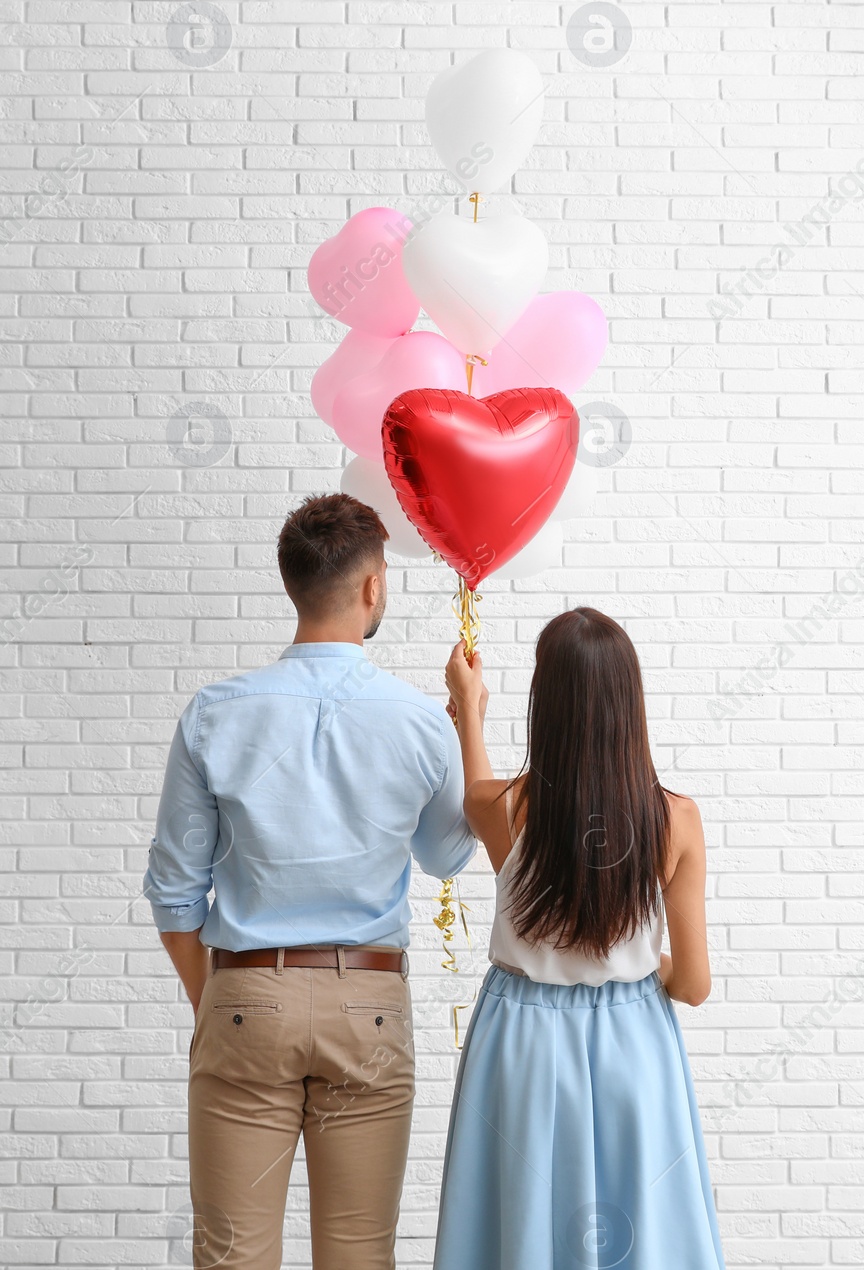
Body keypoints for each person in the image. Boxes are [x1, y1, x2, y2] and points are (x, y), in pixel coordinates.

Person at [143, 493, 478, 1270]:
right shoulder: (420, 721)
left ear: (293, 584)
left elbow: (173, 894)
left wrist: (221, 999)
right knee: (360, 1256)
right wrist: (467, 716)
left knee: (232, 1255)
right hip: (370, 1004)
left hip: (243, 998)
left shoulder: (214, 714)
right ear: (371, 589)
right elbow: (448, 856)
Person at [435, 607, 725, 1269]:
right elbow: (695, 986)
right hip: (634, 1039)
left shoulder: (505, 808)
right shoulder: (676, 820)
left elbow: (477, 792)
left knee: (521, 1222)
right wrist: (640, 960)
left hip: (523, 1038)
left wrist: (469, 708)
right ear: (631, 699)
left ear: (547, 704)